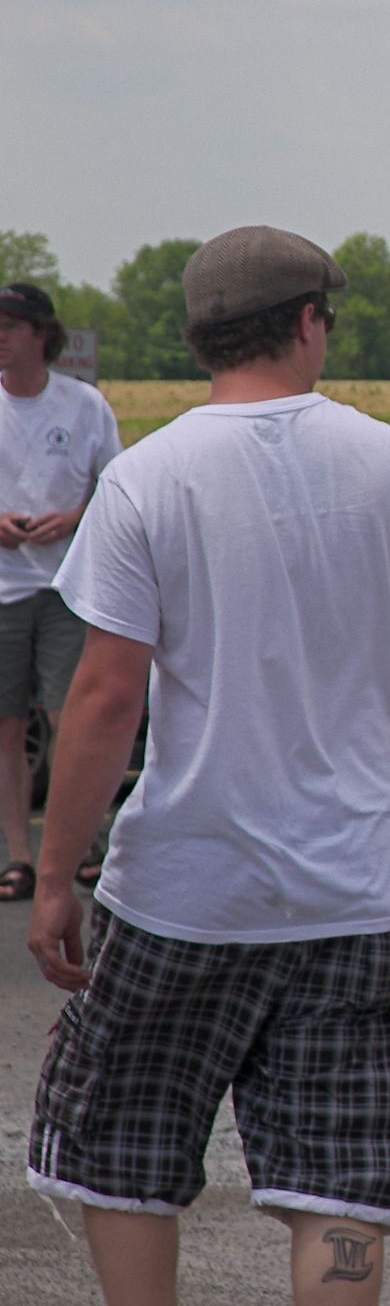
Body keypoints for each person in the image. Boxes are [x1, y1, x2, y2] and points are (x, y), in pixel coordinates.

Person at [25, 225, 390, 1302]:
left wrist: (56, 875)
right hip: (354, 890)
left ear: (201, 335)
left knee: (125, 1152)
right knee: (341, 1177)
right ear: (307, 322)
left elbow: (103, 698)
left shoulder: (146, 479)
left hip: (185, 888)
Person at [0, 281, 122, 904]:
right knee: (7, 726)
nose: (0, 337)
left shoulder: (84, 405)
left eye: (10, 326)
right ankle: (18, 858)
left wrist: (73, 518)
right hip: (3, 589)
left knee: (67, 716)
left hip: (67, 585)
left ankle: (83, 847)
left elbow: (115, 487)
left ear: (42, 334)